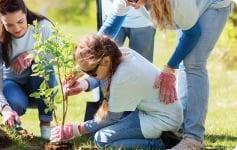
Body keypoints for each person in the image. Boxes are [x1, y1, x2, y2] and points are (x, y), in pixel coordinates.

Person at [98, 0, 232, 149]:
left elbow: (193, 34)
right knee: (184, 61)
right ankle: (180, 131)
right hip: (188, 7)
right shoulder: (127, 1)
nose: (131, 4)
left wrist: (169, 67)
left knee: (193, 63)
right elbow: (110, 27)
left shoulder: (178, 3)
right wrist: (84, 62)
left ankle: (193, 139)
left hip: (211, 5)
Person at [50, 35, 183, 149]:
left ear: (105, 61)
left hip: (162, 119)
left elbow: (111, 118)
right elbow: (102, 76)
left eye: (91, 72)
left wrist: (75, 129)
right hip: (154, 110)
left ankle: (162, 143)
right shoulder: (119, 54)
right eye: (85, 72)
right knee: (102, 131)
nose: (88, 75)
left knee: (101, 139)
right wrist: (82, 85)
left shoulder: (123, 77)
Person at [0, 0, 56, 140]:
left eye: (20, 21)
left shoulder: (43, 26)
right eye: (9, 25)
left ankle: (45, 126)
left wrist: (32, 54)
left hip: (39, 87)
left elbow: (55, 59)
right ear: (1, 21)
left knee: (44, 68)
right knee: (15, 103)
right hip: (13, 85)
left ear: (26, 13)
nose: (17, 29)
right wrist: (5, 109)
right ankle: (15, 126)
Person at [84, 0, 156, 122]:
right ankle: (107, 114)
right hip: (114, 13)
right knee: (103, 63)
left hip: (144, 22)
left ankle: (137, 118)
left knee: (141, 72)